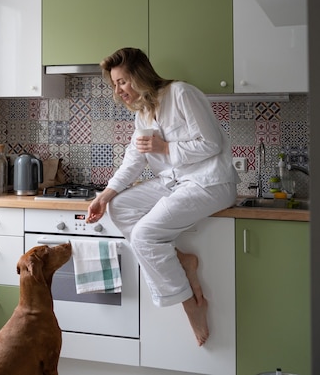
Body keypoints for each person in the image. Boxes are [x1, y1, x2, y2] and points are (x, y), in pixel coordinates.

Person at [86, 47, 240, 346]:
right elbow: (134, 158)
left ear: (139, 75)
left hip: (209, 182)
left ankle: (191, 304)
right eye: (114, 84)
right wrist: (105, 195)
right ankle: (181, 259)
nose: (118, 91)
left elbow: (211, 142)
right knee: (121, 206)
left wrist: (166, 148)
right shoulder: (143, 112)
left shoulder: (181, 93)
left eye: (122, 82)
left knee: (144, 235)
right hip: (174, 181)